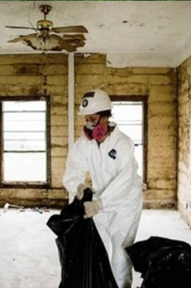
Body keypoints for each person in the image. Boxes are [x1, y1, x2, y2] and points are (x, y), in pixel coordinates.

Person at [62, 88, 143, 288]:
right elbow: (72, 171)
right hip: (99, 203)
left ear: (106, 117)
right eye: (86, 119)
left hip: (125, 205)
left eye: (94, 118)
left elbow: (124, 181)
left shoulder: (123, 144)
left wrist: (100, 204)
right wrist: (78, 186)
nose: (89, 124)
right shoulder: (84, 144)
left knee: (120, 255)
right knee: (97, 252)